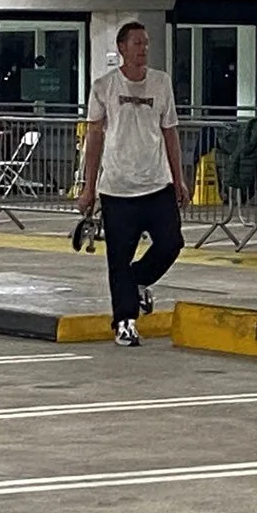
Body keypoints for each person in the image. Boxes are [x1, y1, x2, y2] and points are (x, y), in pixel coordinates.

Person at [77, 21, 189, 345]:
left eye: (146, 43)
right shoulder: (103, 87)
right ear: (122, 47)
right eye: (137, 43)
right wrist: (88, 187)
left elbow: (170, 132)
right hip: (117, 188)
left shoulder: (161, 83)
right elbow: (94, 137)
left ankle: (137, 281)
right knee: (118, 259)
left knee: (171, 243)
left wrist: (179, 180)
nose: (143, 49)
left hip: (157, 184)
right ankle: (125, 321)